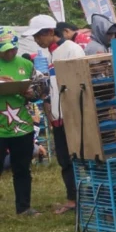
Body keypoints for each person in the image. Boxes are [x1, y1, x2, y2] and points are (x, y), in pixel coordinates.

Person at [25, 15, 84, 214]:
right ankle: (72, 198)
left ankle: (78, 198)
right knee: (64, 158)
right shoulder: (51, 53)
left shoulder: (72, 50)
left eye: (38, 36)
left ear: (50, 32)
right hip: (58, 116)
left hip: (72, 114)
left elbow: (78, 82)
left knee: (76, 157)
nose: (36, 40)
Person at [0, 30, 39, 215]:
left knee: (22, 168)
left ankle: (24, 207)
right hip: (0, 127)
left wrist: (32, 94)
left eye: (12, 49)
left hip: (22, 126)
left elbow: (40, 91)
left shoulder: (26, 64)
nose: (9, 54)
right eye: (4, 50)